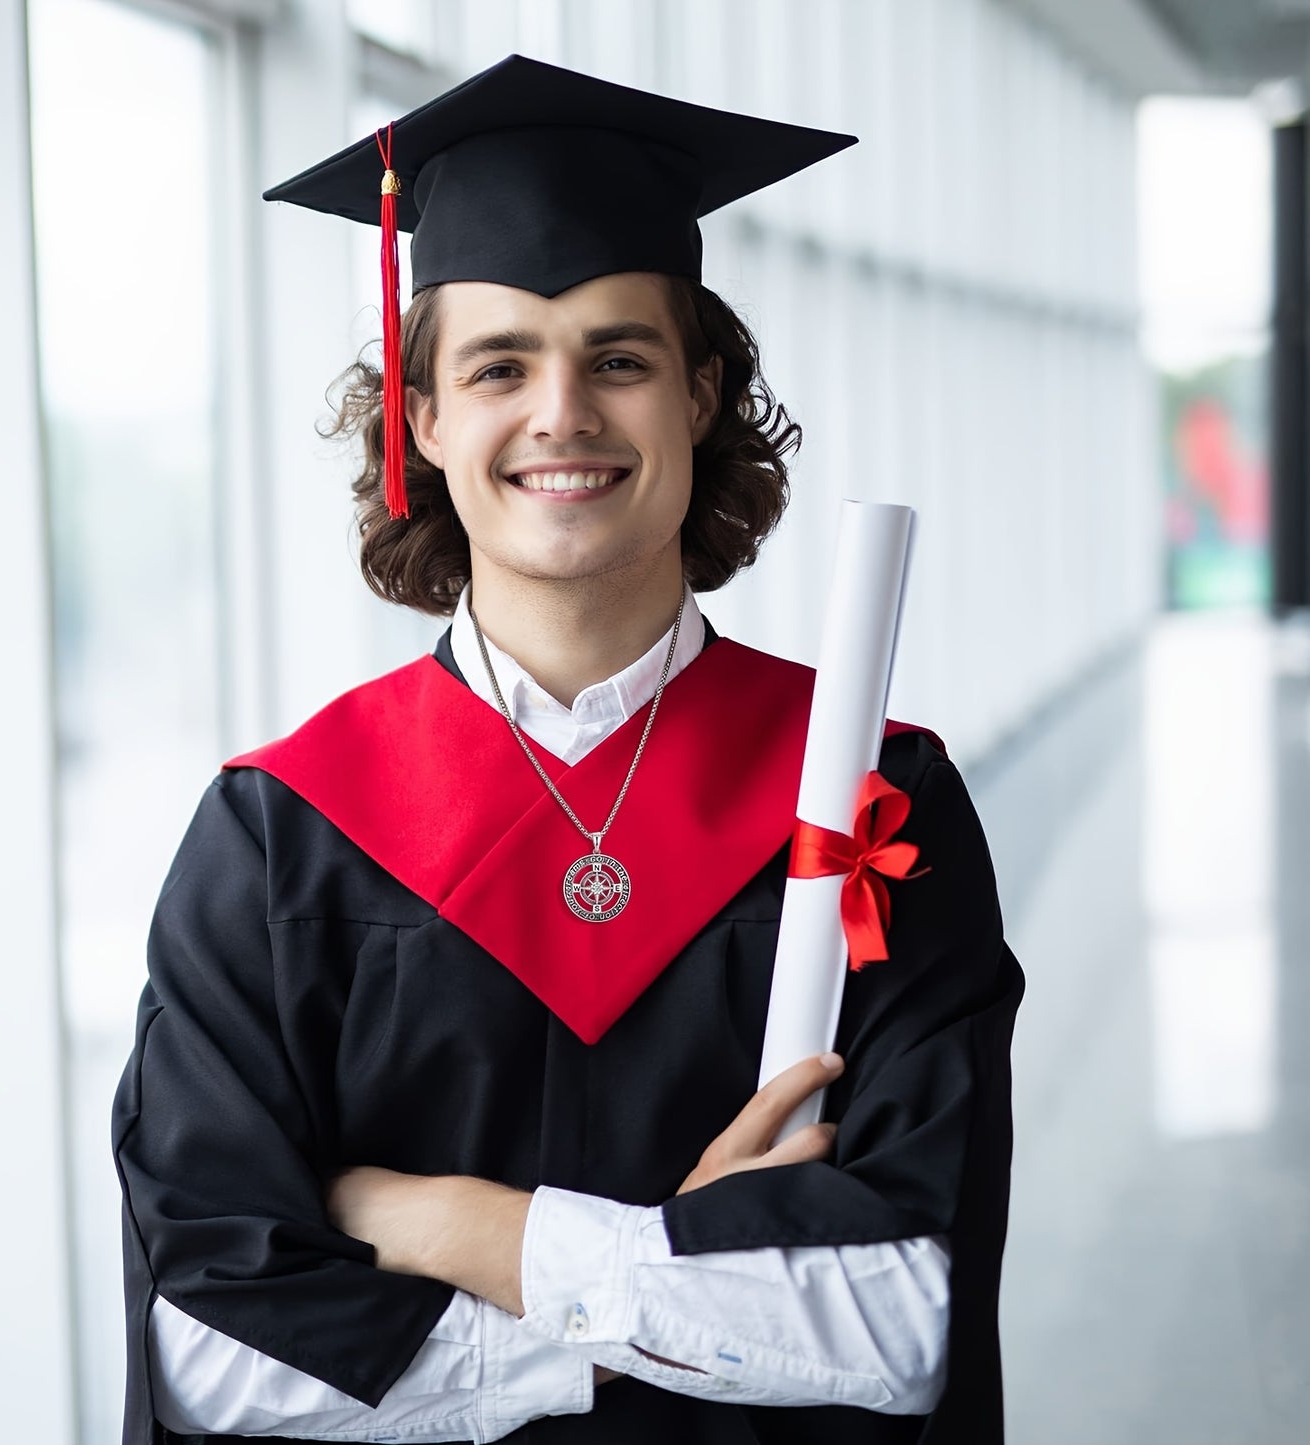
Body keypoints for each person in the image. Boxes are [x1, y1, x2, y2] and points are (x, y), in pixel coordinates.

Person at [113, 54, 1024, 1445]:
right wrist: (644, 1304)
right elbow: (206, 1349)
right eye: (498, 366)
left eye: (618, 357)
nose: (562, 414)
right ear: (422, 419)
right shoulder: (279, 838)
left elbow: (901, 1320)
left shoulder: (875, 796)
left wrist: (454, 1225)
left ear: (700, 397)